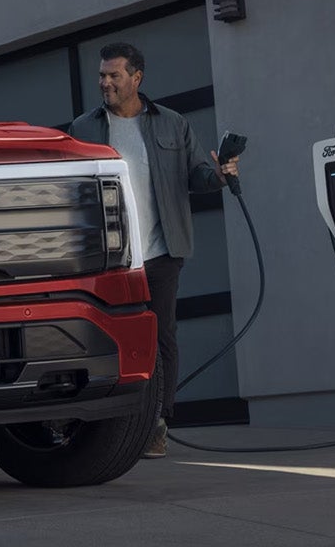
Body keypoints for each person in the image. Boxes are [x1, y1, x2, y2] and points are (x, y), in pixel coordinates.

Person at [66, 43, 238, 459]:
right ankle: (99, 421)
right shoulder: (83, 128)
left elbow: (196, 175)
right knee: (99, 337)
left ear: (136, 78)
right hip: (108, 260)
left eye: (114, 76)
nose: (105, 82)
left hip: (160, 253)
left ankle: (158, 423)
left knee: (163, 338)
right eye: (102, 76)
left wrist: (218, 174)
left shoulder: (172, 124)